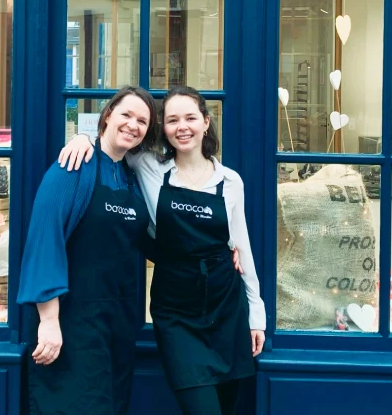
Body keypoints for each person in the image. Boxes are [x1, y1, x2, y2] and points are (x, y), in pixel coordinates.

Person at [59, 85, 266, 415]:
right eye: (172, 120)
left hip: (226, 306)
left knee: (229, 407)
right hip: (176, 309)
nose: (182, 127)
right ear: (164, 129)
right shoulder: (149, 167)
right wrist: (82, 139)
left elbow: (243, 249)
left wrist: (256, 314)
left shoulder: (230, 181)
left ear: (206, 122)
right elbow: (113, 142)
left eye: (190, 118)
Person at [17, 86, 158, 415]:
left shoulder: (131, 176)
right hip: (72, 323)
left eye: (142, 120)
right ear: (107, 115)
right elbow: (44, 240)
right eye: (126, 114)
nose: (132, 125)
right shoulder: (73, 166)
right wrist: (49, 321)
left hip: (119, 325)